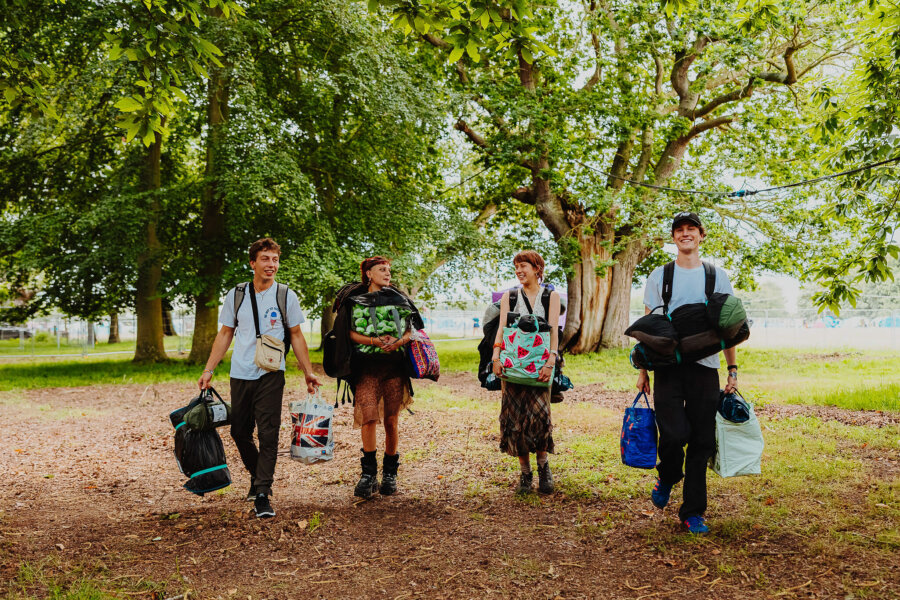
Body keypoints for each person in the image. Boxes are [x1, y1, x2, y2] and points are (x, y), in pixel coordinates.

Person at [198, 238, 320, 519]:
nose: (271, 265)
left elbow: (296, 335)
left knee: (268, 433)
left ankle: (263, 492)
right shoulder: (236, 294)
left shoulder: (286, 295)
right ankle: (258, 475)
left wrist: (308, 372)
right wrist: (208, 369)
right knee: (239, 432)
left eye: (275, 260)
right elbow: (226, 333)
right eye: (265, 259)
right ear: (253, 263)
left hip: (271, 373)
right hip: (240, 372)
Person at [637, 212, 739, 534]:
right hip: (669, 369)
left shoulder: (716, 276)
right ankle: (667, 476)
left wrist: (732, 369)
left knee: (702, 440)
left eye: (691, 230)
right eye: (679, 230)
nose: (685, 234)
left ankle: (693, 512)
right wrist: (643, 370)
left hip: (706, 369)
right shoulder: (660, 275)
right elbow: (649, 330)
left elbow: (729, 327)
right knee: (674, 435)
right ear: (673, 237)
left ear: (701, 235)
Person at [333, 256, 424, 498]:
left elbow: (412, 329)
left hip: (394, 368)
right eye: (381, 270)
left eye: (389, 270)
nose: (387, 274)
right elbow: (348, 333)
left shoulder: (400, 299)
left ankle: (390, 474)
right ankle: (368, 475)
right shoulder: (353, 302)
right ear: (368, 274)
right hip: (365, 369)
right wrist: (373, 341)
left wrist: (399, 342)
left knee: (391, 420)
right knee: (369, 418)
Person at [491, 251, 561, 494]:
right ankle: (524, 474)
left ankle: (543, 467)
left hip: (540, 365)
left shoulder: (551, 296)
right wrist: (496, 357)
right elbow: (501, 328)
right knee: (514, 419)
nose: (519, 271)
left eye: (524, 266)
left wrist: (551, 360)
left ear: (537, 268)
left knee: (539, 417)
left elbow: (554, 331)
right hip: (512, 366)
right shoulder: (508, 297)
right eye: (516, 267)